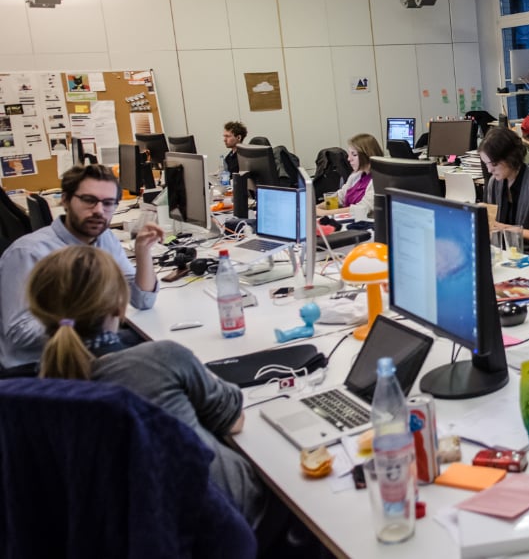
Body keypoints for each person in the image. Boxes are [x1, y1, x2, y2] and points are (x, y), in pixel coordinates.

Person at [28, 245, 266, 529]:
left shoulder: (42, 389)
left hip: (120, 531)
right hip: (219, 519)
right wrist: (196, 373)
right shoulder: (160, 358)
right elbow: (234, 421)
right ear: (120, 305)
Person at [0, 164, 163, 368]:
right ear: (66, 200)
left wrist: (143, 252)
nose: (98, 211)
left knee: (166, 352)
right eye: (89, 200)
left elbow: (143, 301)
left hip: (92, 346)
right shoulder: (27, 253)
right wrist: (91, 320)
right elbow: (19, 334)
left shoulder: (104, 238)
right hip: (41, 364)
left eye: (108, 203)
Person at [479, 126, 529, 246]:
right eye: (486, 164)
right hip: (503, 251)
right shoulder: (494, 183)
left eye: (494, 164)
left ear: (510, 158)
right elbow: (492, 226)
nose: (489, 170)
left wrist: (506, 229)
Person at [317, 133, 383, 219]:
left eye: (354, 155)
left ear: (367, 155)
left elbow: (362, 209)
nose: (349, 159)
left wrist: (325, 213)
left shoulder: (379, 180)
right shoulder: (356, 175)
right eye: (349, 154)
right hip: (349, 220)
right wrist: (317, 208)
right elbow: (339, 197)